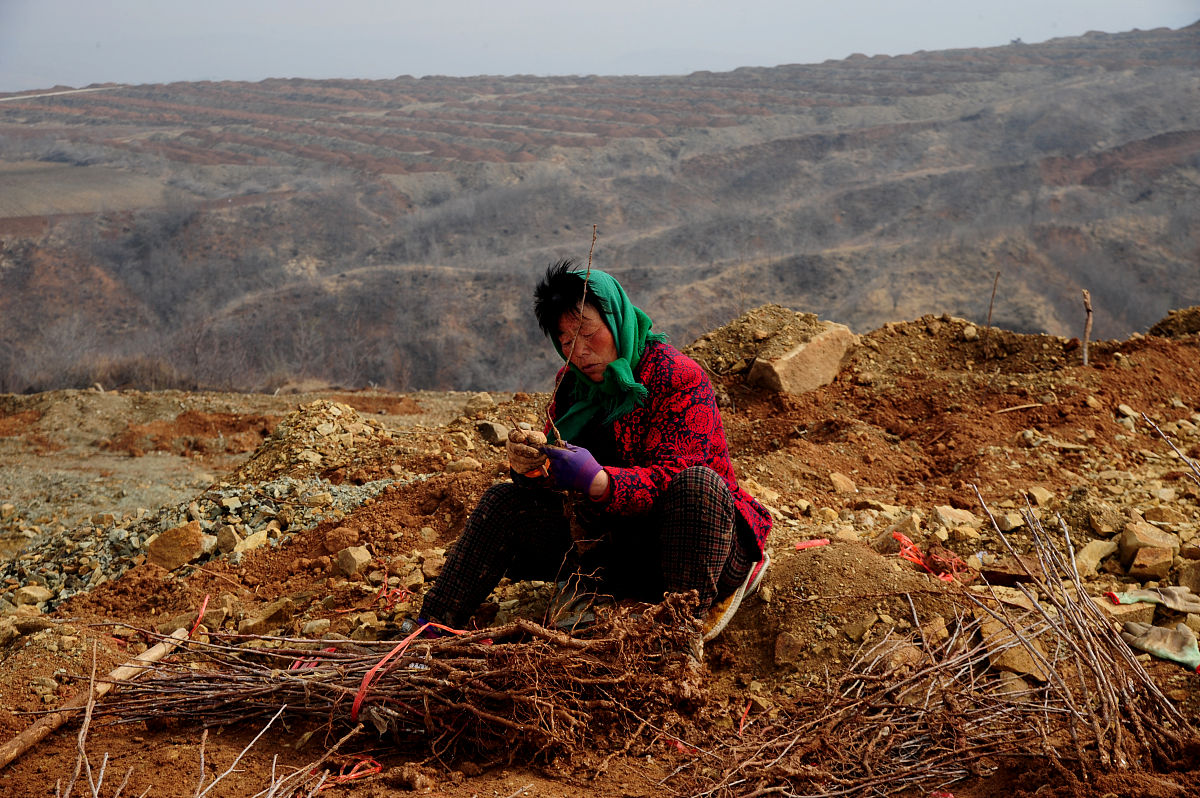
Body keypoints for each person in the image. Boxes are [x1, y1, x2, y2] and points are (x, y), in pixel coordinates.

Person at [416, 259, 771, 643]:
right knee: (505, 502)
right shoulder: (572, 386)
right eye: (565, 341)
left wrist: (600, 481)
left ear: (615, 318)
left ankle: (678, 637)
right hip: (615, 549)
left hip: (700, 551)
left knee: (698, 485)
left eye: (586, 332)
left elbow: (677, 478)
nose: (579, 351)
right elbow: (558, 479)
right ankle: (426, 633)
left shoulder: (677, 377)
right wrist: (532, 468)